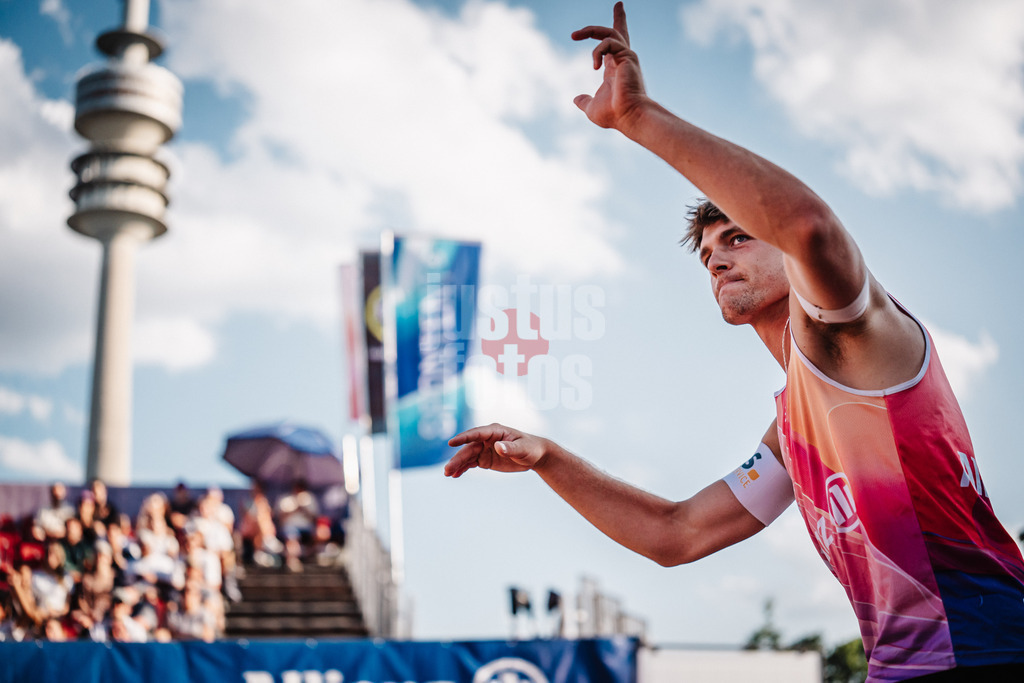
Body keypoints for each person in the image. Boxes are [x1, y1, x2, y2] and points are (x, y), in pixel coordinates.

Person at [445, 4, 1024, 681]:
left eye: (739, 236)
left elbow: (806, 225)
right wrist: (547, 457)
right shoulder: (793, 424)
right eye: (708, 252)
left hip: (990, 653)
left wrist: (639, 119)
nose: (717, 259)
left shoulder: (861, 340)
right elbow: (678, 533)